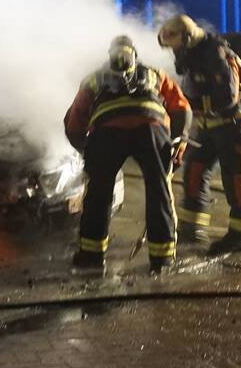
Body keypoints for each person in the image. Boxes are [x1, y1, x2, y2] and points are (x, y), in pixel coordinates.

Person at [64, 35, 192, 275]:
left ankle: (91, 256)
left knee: (99, 193)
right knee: (159, 191)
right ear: (135, 54)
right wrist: (178, 142)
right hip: (152, 130)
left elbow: (74, 123)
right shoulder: (155, 73)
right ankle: (162, 259)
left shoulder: (93, 79)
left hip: (107, 133)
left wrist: (87, 152)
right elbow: (182, 107)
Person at [157, 14, 241, 256]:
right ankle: (192, 231)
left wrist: (190, 105)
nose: (174, 52)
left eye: (174, 45)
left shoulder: (216, 54)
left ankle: (238, 237)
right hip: (208, 127)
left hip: (235, 125)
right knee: (194, 173)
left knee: (237, 182)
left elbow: (227, 99)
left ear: (186, 37)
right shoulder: (192, 54)